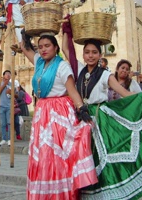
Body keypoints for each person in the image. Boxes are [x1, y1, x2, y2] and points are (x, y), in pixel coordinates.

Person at [60, 31, 142, 200]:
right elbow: (66, 49)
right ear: (83, 53)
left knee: (100, 161)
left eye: (94, 52)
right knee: (84, 161)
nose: (90, 56)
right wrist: (66, 30)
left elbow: (124, 93)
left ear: (100, 54)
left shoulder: (105, 74)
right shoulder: (80, 70)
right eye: (87, 52)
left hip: (100, 120)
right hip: (81, 119)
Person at [20, 34, 98, 199]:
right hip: (42, 114)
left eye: (47, 46)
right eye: (40, 47)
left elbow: (71, 89)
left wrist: (81, 108)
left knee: (57, 157)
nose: (43, 49)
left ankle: (61, 195)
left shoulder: (62, 66)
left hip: (58, 114)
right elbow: (24, 47)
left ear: (56, 48)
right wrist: (24, 35)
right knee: (42, 158)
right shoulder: (39, 64)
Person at [0, 70, 14, 146]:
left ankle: (10, 139)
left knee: (9, 123)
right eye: (7, 74)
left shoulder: (12, 85)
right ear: (3, 75)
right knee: (3, 123)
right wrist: (4, 84)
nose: (8, 75)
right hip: (1, 105)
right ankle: (4, 138)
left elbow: (16, 95)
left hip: (9, 106)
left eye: (9, 74)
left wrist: (11, 92)